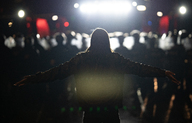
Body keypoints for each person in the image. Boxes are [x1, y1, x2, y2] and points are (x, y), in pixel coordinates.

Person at [14, 28, 180, 123]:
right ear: (107, 41)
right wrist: (163, 73)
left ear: (92, 41)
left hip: (90, 113)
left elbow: (56, 73)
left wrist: (32, 78)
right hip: (111, 113)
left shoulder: (81, 60)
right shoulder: (116, 59)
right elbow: (139, 69)